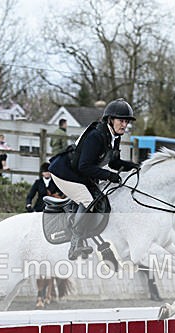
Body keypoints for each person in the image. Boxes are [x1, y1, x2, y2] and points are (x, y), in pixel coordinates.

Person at [48, 98, 139, 260]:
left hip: (79, 173)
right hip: (63, 172)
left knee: (99, 197)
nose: (124, 125)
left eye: (126, 121)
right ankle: (76, 241)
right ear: (110, 120)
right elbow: (84, 166)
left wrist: (135, 167)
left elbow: (114, 162)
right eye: (121, 121)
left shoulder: (114, 137)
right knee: (87, 200)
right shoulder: (96, 136)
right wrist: (110, 176)